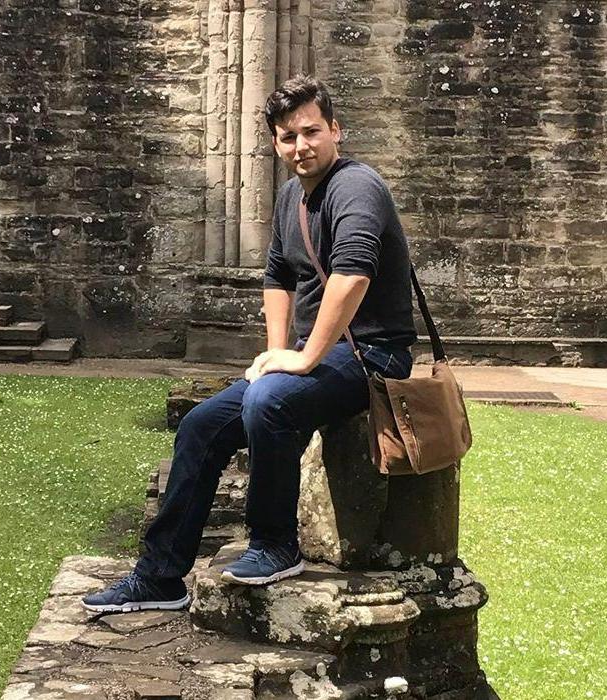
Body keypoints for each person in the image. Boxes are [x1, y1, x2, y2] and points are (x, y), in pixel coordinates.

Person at [82, 75, 417, 613]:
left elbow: (352, 275)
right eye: (288, 137)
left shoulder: (357, 187)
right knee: (201, 426)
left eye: (312, 131)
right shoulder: (291, 195)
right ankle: (160, 577)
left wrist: (302, 359)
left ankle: (275, 545)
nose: (301, 145)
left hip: (375, 354)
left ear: (336, 130)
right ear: (275, 143)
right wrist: (274, 352)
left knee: (271, 400)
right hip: (321, 349)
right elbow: (279, 276)